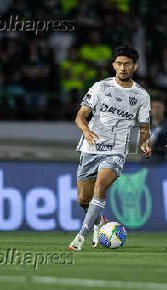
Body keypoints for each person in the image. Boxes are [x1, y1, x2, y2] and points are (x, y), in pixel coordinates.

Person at [68, 45, 151, 250]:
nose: (123, 68)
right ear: (114, 65)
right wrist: (86, 131)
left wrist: (144, 143)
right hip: (91, 147)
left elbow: (144, 127)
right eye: (120, 64)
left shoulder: (141, 95)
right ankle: (99, 222)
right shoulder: (100, 87)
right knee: (82, 200)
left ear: (135, 66)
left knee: (100, 186)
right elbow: (80, 116)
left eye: (127, 64)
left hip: (116, 150)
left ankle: (81, 236)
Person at [147, 98, 167, 162]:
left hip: (160, 160)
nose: (157, 110)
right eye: (154, 107)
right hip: (145, 161)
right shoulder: (145, 126)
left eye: (159, 108)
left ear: (163, 110)